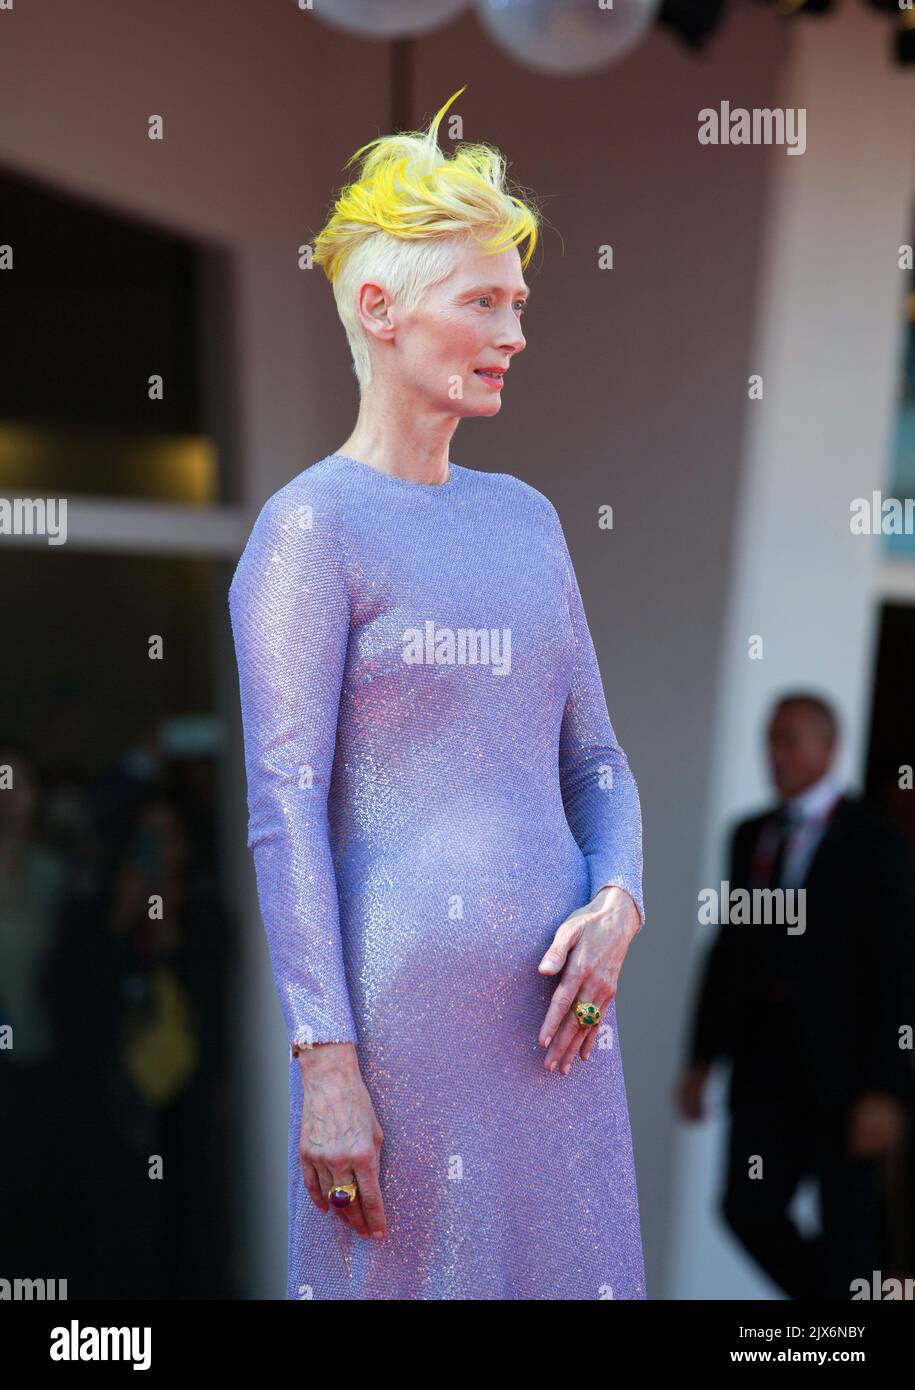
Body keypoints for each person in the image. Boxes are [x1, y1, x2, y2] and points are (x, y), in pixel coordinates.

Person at [229, 86, 647, 1300]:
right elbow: (282, 805)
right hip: (398, 1043)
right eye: (485, 302)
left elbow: (600, 765)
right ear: (381, 309)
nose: (515, 330)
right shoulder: (310, 527)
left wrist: (618, 899)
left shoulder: (529, 520)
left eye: (518, 302)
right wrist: (326, 1062)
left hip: (563, 1038)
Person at [677, 693, 915, 1299]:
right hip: (764, 1070)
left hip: (847, 1076)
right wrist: (701, 1060)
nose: (774, 754)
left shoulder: (876, 842)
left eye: (790, 740)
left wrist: (887, 1090)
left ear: (828, 749)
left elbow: (898, 972)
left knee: (852, 1239)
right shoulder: (750, 836)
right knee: (746, 1208)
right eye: (770, 739)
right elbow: (728, 952)